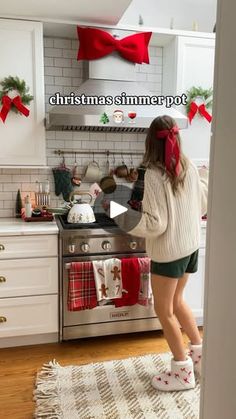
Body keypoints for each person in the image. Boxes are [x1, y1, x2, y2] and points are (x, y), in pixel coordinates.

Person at [113, 115, 208, 392]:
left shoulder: (153, 173)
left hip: (169, 252)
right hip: (190, 247)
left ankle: (182, 373)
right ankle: (200, 358)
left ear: (149, 142)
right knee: (178, 302)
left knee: (164, 310)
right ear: (176, 137)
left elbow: (155, 225)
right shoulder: (188, 167)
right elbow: (199, 205)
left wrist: (117, 211)